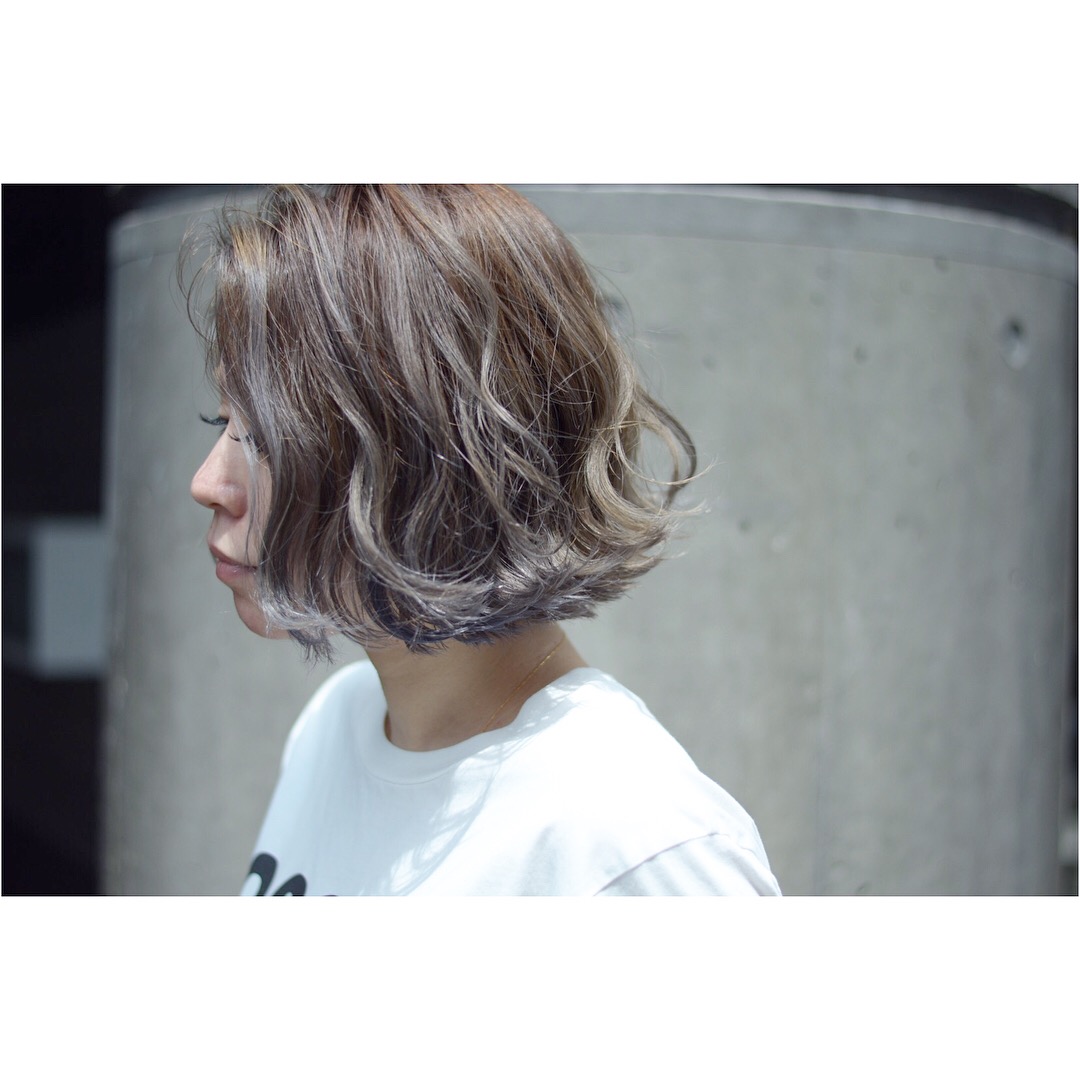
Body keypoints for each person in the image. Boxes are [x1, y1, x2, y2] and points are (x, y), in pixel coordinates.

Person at [188, 185, 780, 896]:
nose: (207, 482)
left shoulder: (635, 844)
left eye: (263, 436)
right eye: (221, 422)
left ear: (431, 450)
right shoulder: (336, 728)